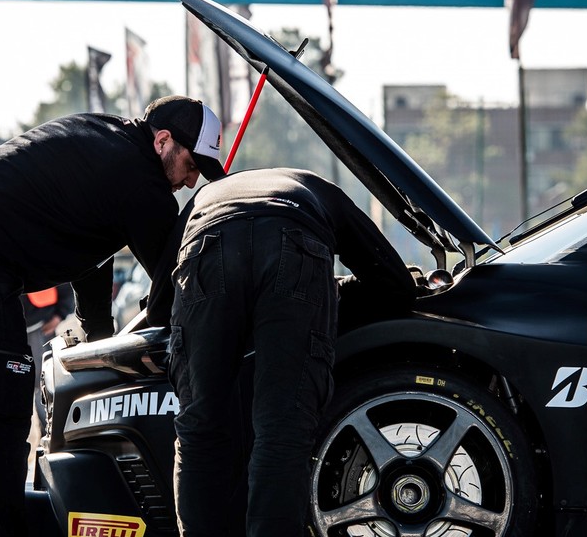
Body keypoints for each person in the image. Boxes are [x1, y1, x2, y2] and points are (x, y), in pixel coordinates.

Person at [0, 95, 226, 536]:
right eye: (192, 165)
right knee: (0, 409)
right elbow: (173, 286)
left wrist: (98, 335)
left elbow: (92, 252)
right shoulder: (142, 180)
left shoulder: (107, 139)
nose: (191, 179)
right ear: (163, 141)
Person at [146, 168, 416, 537]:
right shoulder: (318, 189)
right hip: (296, 239)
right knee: (281, 432)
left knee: (201, 429)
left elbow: (159, 309)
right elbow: (395, 284)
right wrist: (329, 292)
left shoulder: (205, 197)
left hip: (207, 243)